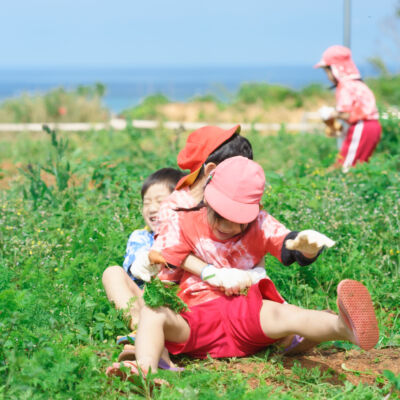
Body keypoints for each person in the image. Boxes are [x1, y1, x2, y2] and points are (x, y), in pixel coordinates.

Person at [107, 157, 378, 381]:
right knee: (155, 314)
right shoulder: (184, 220)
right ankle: (145, 369)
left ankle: (344, 328)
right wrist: (148, 260)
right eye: (223, 216)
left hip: (245, 313)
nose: (232, 227)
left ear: (256, 209)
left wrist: (305, 248)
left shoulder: (261, 223)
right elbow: (165, 254)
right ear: (208, 198)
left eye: (241, 220)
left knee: (287, 313)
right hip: (194, 318)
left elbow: (285, 241)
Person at [102, 167, 184, 328]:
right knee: (112, 273)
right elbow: (136, 268)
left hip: (180, 309)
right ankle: (138, 328)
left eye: (160, 202)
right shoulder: (140, 237)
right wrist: (149, 259)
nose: (152, 208)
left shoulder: (189, 236)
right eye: (146, 203)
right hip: (146, 304)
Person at [315, 45, 382, 173]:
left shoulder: (345, 86)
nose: (327, 76)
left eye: (327, 71)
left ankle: (336, 187)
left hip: (362, 126)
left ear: (334, 69)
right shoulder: (358, 84)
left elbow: (346, 114)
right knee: (359, 165)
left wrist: (329, 114)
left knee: (346, 167)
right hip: (374, 126)